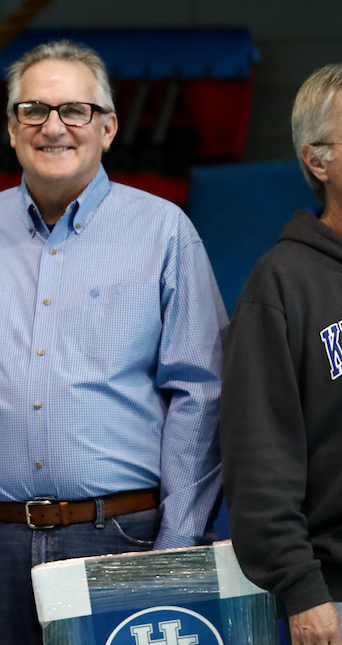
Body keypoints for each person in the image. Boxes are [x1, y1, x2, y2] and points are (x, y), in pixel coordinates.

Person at [0, 41, 228, 645]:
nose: (54, 127)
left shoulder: (164, 232)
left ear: (108, 127)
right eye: (34, 111)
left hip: (121, 541)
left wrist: (174, 545)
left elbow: (201, 393)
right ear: (12, 128)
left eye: (75, 110)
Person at [221, 64, 342, 645]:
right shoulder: (282, 283)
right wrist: (302, 588)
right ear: (319, 161)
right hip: (333, 598)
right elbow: (259, 458)